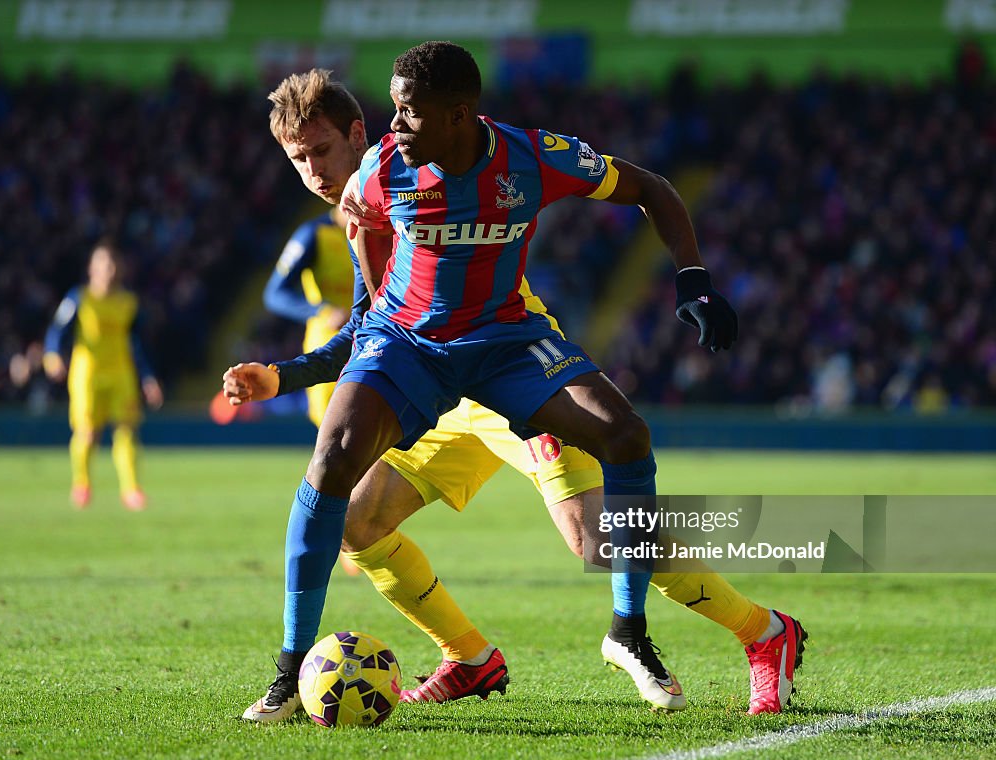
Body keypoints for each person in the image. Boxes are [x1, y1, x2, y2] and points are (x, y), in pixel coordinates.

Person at [227, 55, 806, 722]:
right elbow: (370, 324)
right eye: (295, 160)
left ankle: (762, 631)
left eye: (319, 151)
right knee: (358, 519)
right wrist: (282, 375)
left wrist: (694, 280)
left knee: (598, 540)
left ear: (360, 133)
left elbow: (645, 186)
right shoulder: (366, 208)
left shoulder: (447, 169)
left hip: (506, 371)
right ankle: (469, 657)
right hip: (430, 377)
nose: (311, 173)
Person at [43, 238, 163, 510]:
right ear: (91, 269)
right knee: (87, 433)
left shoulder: (128, 303)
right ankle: (82, 484)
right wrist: (52, 356)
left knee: (127, 431)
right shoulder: (79, 298)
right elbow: (57, 331)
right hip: (88, 375)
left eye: (112, 265)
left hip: (121, 374)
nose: (108, 270)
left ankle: (132, 490)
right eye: (103, 265)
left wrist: (148, 378)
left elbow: (139, 344)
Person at [262, 206, 353, 427]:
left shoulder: (383, 230)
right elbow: (274, 293)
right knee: (332, 428)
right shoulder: (313, 233)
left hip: (375, 335)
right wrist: (322, 311)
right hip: (329, 341)